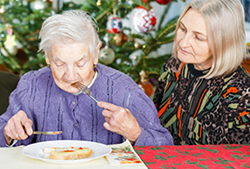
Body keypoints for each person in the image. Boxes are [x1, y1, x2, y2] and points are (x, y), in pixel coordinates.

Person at [0, 10, 173, 147]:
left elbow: (166, 151)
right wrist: (8, 134)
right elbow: (4, 134)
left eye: (80, 63)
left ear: (96, 53)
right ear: (47, 56)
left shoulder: (126, 91)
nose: (70, 75)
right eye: (59, 63)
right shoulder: (31, 85)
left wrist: (136, 134)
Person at [154, 0, 250, 145]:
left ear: (224, 43)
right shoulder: (174, 66)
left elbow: (243, 160)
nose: (183, 43)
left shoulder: (241, 93)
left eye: (198, 37)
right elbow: (155, 122)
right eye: (183, 29)